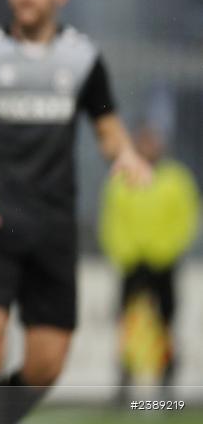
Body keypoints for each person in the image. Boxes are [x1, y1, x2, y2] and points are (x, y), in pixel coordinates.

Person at [0, 0, 152, 423]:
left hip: (54, 228)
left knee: (47, 365)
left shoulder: (82, 58)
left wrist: (126, 154)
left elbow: (107, 127)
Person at [99, 124, 199, 393]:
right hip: (132, 262)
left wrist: (166, 248)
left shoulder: (176, 178)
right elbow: (111, 219)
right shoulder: (121, 177)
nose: (149, 148)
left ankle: (167, 376)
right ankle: (125, 376)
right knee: (127, 321)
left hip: (164, 261)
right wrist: (125, 251)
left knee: (166, 321)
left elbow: (187, 218)